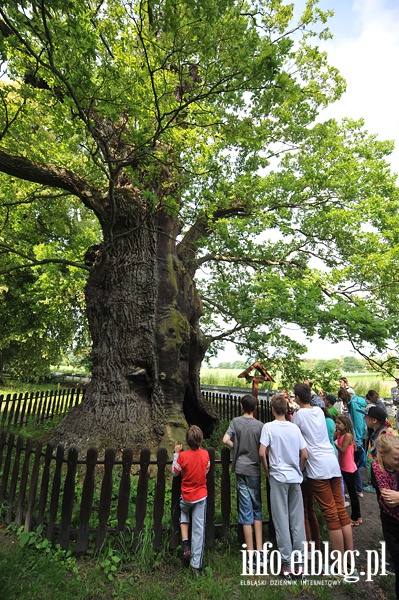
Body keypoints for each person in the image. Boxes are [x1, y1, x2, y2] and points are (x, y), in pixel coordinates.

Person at [292, 383, 354, 572]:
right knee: (341, 511)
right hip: (331, 461)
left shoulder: (298, 415)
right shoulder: (319, 411)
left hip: (317, 466)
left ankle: (340, 564)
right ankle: (349, 558)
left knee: (330, 514)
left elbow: (296, 437)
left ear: (296, 398)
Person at [259, 394, 308, 580]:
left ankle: (287, 565)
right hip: (295, 478)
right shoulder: (294, 428)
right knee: (297, 522)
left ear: (272, 409)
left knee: (281, 521)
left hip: (278, 477)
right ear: (287, 410)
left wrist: (267, 470)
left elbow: (262, 452)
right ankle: (300, 564)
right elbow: (304, 454)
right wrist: (300, 470)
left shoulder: (268, 427)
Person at [223, 394, 264, 560]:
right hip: (254, 469)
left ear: (241, 406)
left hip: (240, 468)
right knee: (257, 508)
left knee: (245, 509)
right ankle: (261, 550)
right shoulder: (261, 425)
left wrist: (236, 447)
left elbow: (225, 439)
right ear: (255, 408)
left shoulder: (235, 422)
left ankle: (250, 552)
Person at [172, 425, 210, 573]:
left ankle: (185, 543)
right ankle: (195, 565)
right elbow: (207, 469)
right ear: (200, 440)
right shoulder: (205, 454)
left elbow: (175, 472)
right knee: (199, 530)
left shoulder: (183, 456)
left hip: (186, 497)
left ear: (187, 441)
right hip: (200, 496)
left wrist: (176, 454)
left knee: (184, 513)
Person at [372, 433, 399, 599]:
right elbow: (389, 500)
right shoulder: (377, 468)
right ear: (383, 454)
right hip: (391, 521)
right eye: (396, 459)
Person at [334, 415, 362, 526]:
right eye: (336, 422)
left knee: (352, 494)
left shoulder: (348, 436)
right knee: (350, 492)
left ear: (345, 425)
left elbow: (342, 449)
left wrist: (335, 444)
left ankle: (356, 517)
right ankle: (357, 516)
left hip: (349, 468)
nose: (336, 424)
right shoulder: (339, 434)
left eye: (339, 423)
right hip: (343, 467)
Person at [358, 405, 387, 493]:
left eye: (366, 417)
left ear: (374, 420)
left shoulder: (380, 436)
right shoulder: (378, 432)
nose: (364, 418)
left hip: (382, 476)